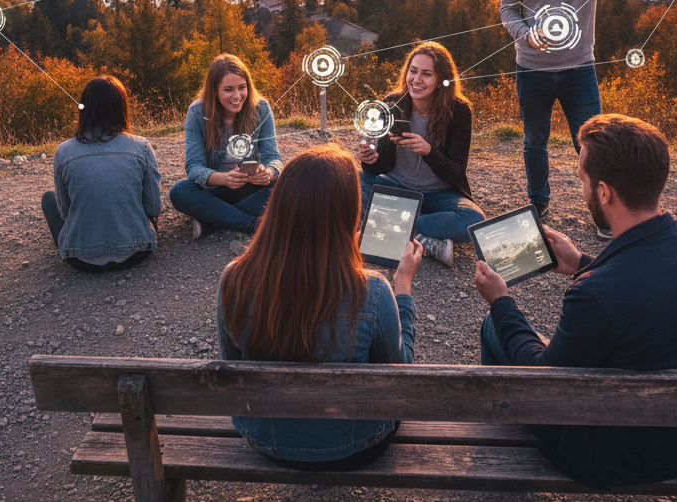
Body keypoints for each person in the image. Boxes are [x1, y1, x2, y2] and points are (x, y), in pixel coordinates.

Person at [475, 113, 677, 489]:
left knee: (495, 327)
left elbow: (543, 379)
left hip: (613, 459)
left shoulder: (594, 296)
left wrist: (500, 300)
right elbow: (650, 283)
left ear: (604, 192)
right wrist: (584, 262)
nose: (581, 189)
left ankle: (500, 448)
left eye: (581, 179)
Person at [217, 144, 422, 469]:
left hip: (265, 439)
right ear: (349, 214)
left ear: (279, 205)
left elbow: (233, 366)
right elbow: (399, 375)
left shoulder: (234, 279)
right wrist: (403, 287)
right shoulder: (374, 291)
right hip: (355, 444)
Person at [500, 0, 677, 233]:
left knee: (595, 148)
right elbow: (508, 8)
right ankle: (538, 201)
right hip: (532, 69)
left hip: (579, 69)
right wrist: (524, 34)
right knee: (534, 142)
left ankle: (604, 218)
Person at [358, 42, 484, 267]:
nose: (417, 80)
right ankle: (423, 237)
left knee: (474, 220)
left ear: (441, 80)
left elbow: (456, 173)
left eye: (427, 74)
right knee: (355, 181)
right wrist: (369, 160)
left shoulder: (459, 111)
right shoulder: (392, 103)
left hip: (438, 195)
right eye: (413, 71)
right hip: (397, 187)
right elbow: (380, 167)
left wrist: (428, 151)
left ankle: (391, 228)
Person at [41, 76, 161, 272]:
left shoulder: (64, 151)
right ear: (122, 108)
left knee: (49, 199)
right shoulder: (141, 146)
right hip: (137, 252)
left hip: (81, 260)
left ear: (84, 108)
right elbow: (153, 207)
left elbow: (64, 212)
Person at [170, 54, 282, 238]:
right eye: (228, 89)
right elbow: (193, 167)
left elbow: (274, 158)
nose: (237, 96)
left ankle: (211, 219)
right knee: (180, 192)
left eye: (242, 88)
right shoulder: (197, 112)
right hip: (214, 191)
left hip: (251, 190)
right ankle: (253, 224)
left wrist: (268, 173)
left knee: (284, 187)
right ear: (214, 90)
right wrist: (222, 178)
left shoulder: (261, 108)